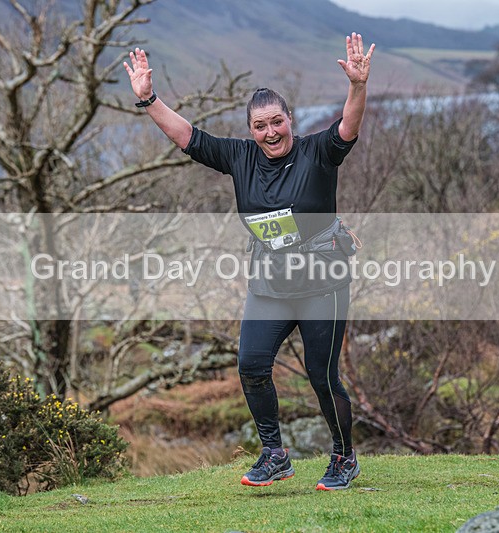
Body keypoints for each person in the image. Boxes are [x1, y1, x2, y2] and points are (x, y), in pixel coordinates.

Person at [124, 32, 374, 491]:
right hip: (271, 285)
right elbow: (188, 137)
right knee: (251, 364)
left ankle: (344, 458)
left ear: (290, 119)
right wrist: (149, 99)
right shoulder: (240, 157)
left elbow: (348, 128)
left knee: (322, 376)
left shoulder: (317, 152)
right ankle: (275, 455)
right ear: (251, 130)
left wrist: (357, 86)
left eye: (277, 121)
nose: (270, 132)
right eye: (260, 126)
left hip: (322, 283)